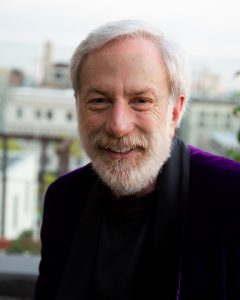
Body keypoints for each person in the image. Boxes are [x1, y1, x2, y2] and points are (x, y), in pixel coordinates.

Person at [35, 20, 240, 300]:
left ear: (175, 112)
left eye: (141, 101)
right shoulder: (64, 199)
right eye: (99, 101)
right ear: (78, 105)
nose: (118, 125)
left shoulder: (230, 195)